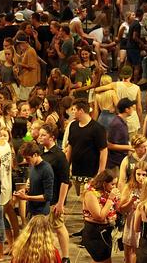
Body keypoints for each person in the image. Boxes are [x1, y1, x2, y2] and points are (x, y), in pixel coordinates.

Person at [38, 122, 70, 262]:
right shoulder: (41, 151)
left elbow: (65, 181)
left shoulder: (59, 155)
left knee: (58, 227)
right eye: (39, 134)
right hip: (42, 198)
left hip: (55, 198)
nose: (39, 137)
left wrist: (61, 203)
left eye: (43, 135)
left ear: (51, 137)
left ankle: (66, 257)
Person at [65, 99, 108, 187]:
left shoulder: (97, 128)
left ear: (81, 111)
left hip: (91, 172)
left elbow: (103, 151)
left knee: (87, 197)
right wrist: (66, 167)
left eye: (74, 109)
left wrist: (100, 172)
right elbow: (70, 146)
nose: (72, 112)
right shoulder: (73, 126)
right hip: (76, 171)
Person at [80, 170, 119, 263]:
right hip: (95, 233)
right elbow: (99, 216)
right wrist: (110, 199)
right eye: (112, 184)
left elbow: (117, 209)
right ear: (104, 183)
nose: (114, 187)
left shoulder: (106, 192)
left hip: (105, 232)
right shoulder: (91, 194)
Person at [107, 98, 136, 170]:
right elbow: (109, 145)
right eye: (131, 107)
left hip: (121, 159)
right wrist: (129, 147)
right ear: (127, 109)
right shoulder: (117, 124)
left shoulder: (121, 122)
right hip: (115, 162)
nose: (133, 108)